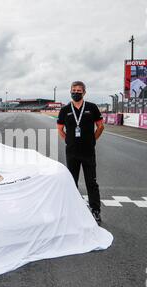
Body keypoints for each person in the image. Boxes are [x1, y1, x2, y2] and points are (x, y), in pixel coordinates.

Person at [57, 81, 105, 224]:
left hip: (88, 151)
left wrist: (93, 140)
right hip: (72, 152)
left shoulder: (92, 107)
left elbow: (101, 126)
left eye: (79, 90)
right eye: (74, 90)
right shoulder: (65, 109)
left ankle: (95, 210)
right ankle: (72, 210)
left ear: (84, 92)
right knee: (72, 182)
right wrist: (68, 141)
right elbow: (60, 129)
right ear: (70, 91)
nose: (76, 92)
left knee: (92, 182)